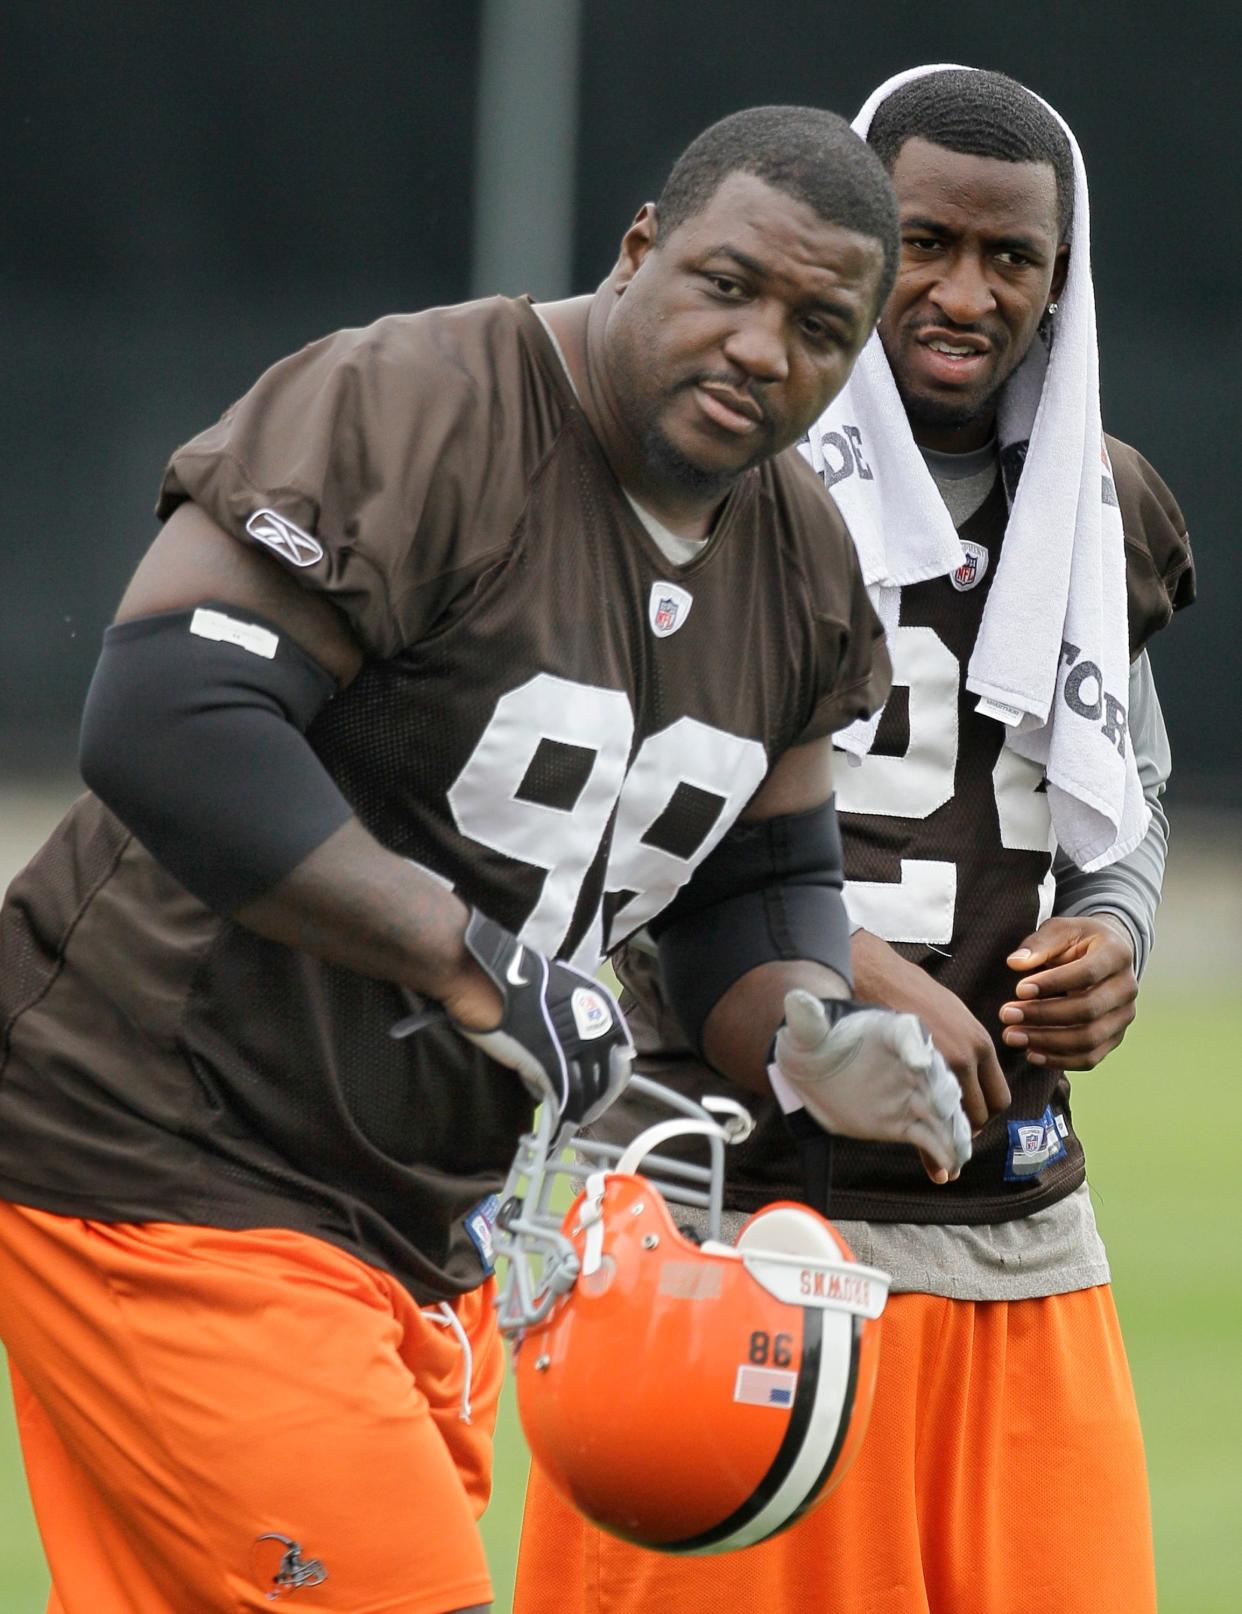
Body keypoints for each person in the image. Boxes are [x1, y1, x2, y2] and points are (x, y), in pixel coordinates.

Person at [0, 107, 978, 1614]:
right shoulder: (422, 402)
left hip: (422, 1214)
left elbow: (749, 891)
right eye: (724, 283)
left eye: (816, 324)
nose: (758, 346)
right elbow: (169, 712)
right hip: (174, 1150)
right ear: (641, 246)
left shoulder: (799, 565)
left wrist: (807, 1033)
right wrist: (471, 959)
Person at [515, 67, 1195, 1614]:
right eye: (925, 242)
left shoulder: (1098, 504)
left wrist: (1116, 931)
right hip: (727, 1215)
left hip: (1011, 1218)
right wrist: (845, 963)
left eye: (1011, 257)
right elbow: (591, 815)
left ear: (1057, 279)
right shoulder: (702, 472)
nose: (966, 292)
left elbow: (1122, 789)